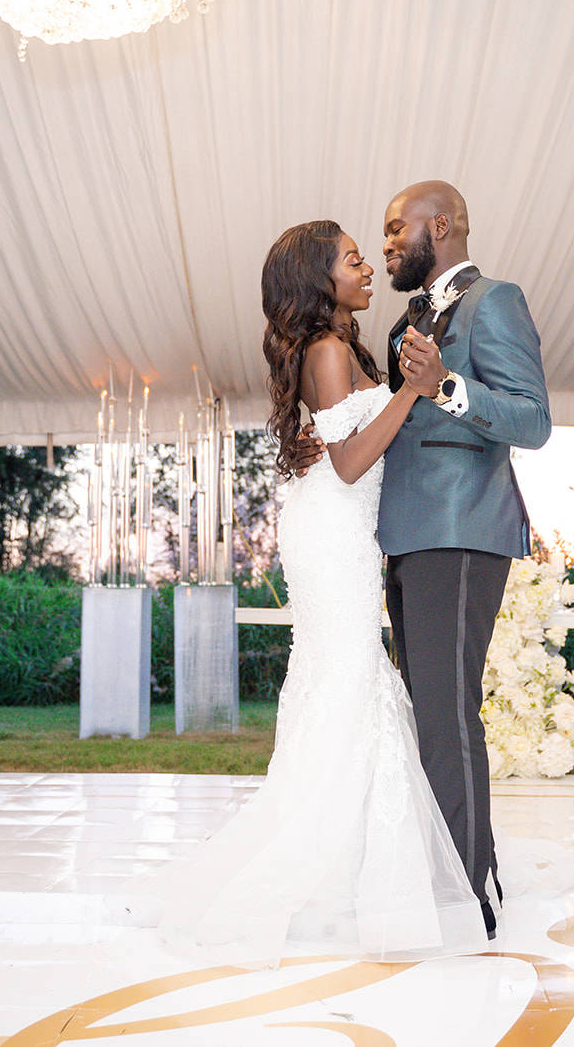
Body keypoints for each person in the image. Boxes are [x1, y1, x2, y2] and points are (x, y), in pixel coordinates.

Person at [155, 220, 488, 966]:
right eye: (352, 259)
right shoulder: (329, 351)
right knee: (347, 681)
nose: (367, 267)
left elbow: (342, 446)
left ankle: (348, 860)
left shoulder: (340, 347)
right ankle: (327, 866)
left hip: (343, 531)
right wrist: (413, 391)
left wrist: (398, 396)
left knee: (347, 682)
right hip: (333, 533)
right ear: (319, 279)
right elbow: (348, 462)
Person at [377, 180, 551, 937]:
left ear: (440, 224)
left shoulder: (496, 301)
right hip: (408, 535)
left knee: (448, 714)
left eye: (396, 228)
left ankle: (468, 893)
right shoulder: (405, 320)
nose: (387, 243)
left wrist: (444, 384)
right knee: (429, 713)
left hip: (461, 530)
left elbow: (532, 420)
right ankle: (457, 868)